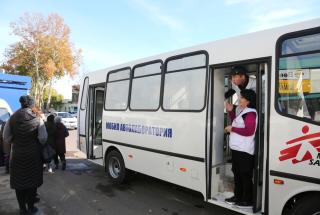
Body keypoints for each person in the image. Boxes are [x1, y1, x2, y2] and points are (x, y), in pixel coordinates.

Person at [3, 95, 47, 214]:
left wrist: (16, 139)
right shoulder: (38, 119)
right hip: (34, 156)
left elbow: (6, 137)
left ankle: (22, 209)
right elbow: (43, 138)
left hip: (17, 155)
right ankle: (31, 207)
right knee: (32, 182)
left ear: (21, 104)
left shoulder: (12, 118)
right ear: (32, 105)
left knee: (19, 182)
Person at [224, 89, 257, 208]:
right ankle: (238, 196)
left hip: (244, 151)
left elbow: (249, 131)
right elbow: (236, 123)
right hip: (238, 150)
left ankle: (248, 200)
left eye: (242, 97)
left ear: (248, 101)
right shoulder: (243, 111)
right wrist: (231, 112)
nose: (240, 99)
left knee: (244, 176)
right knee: (237, 174)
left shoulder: (250, 113)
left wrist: (232, 129)